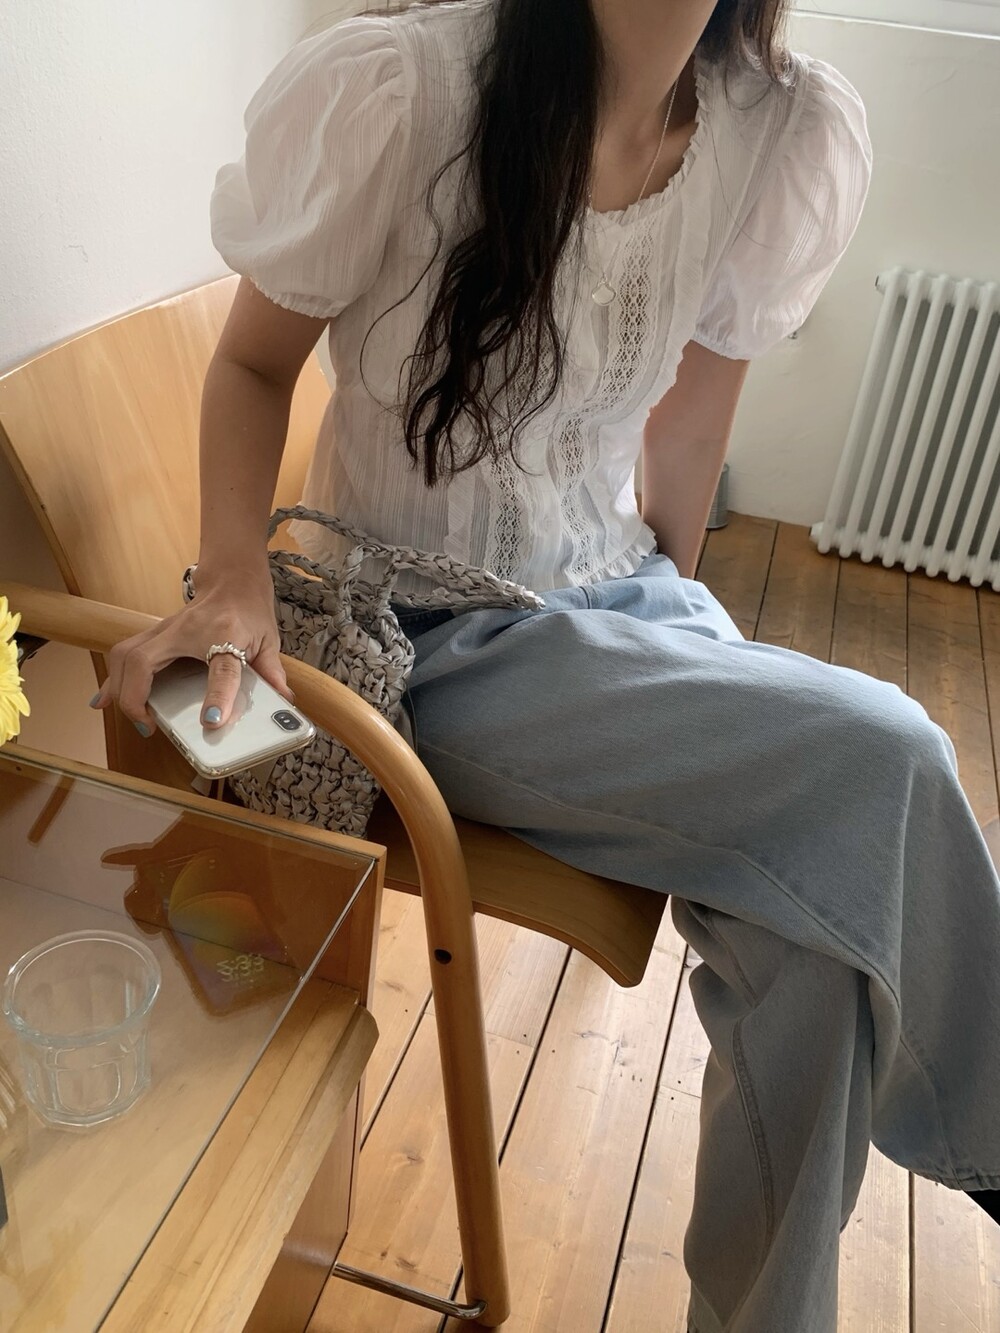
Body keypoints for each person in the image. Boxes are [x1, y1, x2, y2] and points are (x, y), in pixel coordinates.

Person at [92, 0, 1000, 1328]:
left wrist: (680, 645)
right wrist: (232, 577)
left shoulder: (778, 128)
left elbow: (692, 420)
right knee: (894, 754)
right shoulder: (405, 93)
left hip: (622, 586)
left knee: (816, 945)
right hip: (421, 633)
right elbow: (249, 364)